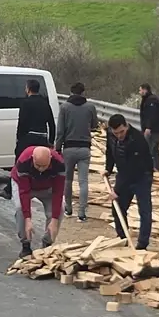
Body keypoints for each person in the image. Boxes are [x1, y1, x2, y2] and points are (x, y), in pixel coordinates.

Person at [0, 79, 55, 200]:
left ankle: (9, 190)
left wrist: (19, 139)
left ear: (28, 89)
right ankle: (43, 189)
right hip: (42, 138)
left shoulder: (26, 103)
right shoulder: (45, 103)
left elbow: (22, 122)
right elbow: (52, 124)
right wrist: (50, 141)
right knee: (42, 164)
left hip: (29, 138)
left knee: (20, 162)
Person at [104, 114, 154, 250]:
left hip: (142, 175)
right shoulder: (110, 135)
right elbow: (110, 151)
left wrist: (117, 190)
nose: (119, 135)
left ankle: (142, 244)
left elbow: (132, 168)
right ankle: (123, 238)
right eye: (116, 133)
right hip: (125, 173)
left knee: (144, 210)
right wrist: (108, 169)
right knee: (118, 208)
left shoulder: (137, 139)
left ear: (126, 126)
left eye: (122, 132)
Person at [11, 145, 66, 259]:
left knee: (60, 208)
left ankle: (47, 243)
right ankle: (26, 245)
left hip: (47, 187)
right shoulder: (24, 161)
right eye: (38, 165)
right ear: (32, 158)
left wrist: (54, 219)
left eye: (44, 166)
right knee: (20, 208)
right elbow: (24, 192)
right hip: (25, 186)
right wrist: (28, 218)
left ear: (50, 159)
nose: (41, 169)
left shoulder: (59, 164)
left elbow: (58, 192)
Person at [56, 82, 97, 222]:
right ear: (83, 92)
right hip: (85, 148)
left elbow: (60, 131)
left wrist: (57, 148)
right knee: (83, 181)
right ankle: (82, 212)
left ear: (71, 92)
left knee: (67, 180)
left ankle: (68, 208)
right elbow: (94, 125)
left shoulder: (65, 107)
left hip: (68, 148)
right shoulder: (90, 107)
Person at [138, 84, 159, 173]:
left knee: (153, 149)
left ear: (145, 90)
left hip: (154, 131)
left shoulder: (152, 100)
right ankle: (151, 167)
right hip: (150, 129)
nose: (139, 92)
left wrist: (148, 127)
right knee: (149, 149)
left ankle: (156, 168)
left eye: (140, 90)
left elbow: (152, 115)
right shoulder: (147, 99)